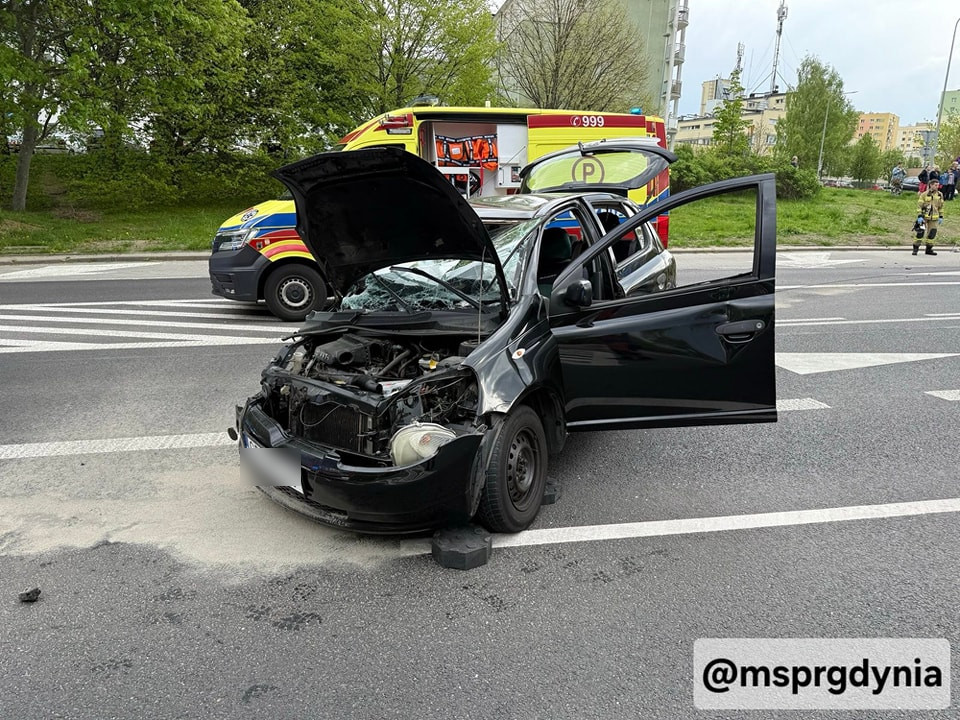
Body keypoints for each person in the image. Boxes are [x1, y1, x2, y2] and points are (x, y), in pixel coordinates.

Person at [914, 177, 944, 255]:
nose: (937, 187)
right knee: (920, 233)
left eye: (938, 185)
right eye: (935, 185)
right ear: (931, 185)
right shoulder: (924, 194)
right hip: (924, 217)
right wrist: (919, 216)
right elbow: (919, 206)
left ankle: (929, 249)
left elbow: (941, 207)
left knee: (932, 233)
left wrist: (941, 216)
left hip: (934, 218)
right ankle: (915, 248)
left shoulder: (940, 195)